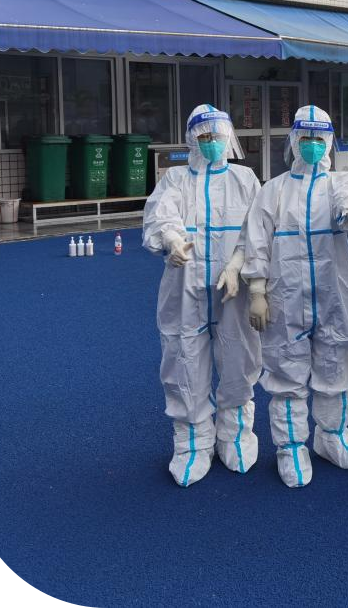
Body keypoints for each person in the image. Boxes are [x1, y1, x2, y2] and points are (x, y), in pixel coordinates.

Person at [242, 105, 348, 487]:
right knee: (286, 371)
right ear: (295, 140)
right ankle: (291, 446)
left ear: (329, 142)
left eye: (320, 138)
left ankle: (331, 436)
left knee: (336, 365)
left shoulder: (340, 183)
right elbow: (257, 242)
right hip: (286, 298)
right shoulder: (274, 190)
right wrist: (257, 291)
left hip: (334, 296)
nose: (313, 145)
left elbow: (347, 205)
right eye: (307, 138)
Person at [142, 105, 261, 487]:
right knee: (184, 360)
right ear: (192, 140)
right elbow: (160, 216)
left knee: (239, 357)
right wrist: (172, 240)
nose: (211, 143)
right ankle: (192, 444)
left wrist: (237, 264)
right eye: (204, 137)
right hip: (185, 291)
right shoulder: (176, 179)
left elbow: (258, 230)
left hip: (233, 291)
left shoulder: (245, 179)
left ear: (228, 138)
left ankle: (235, 435)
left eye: (217, 136)